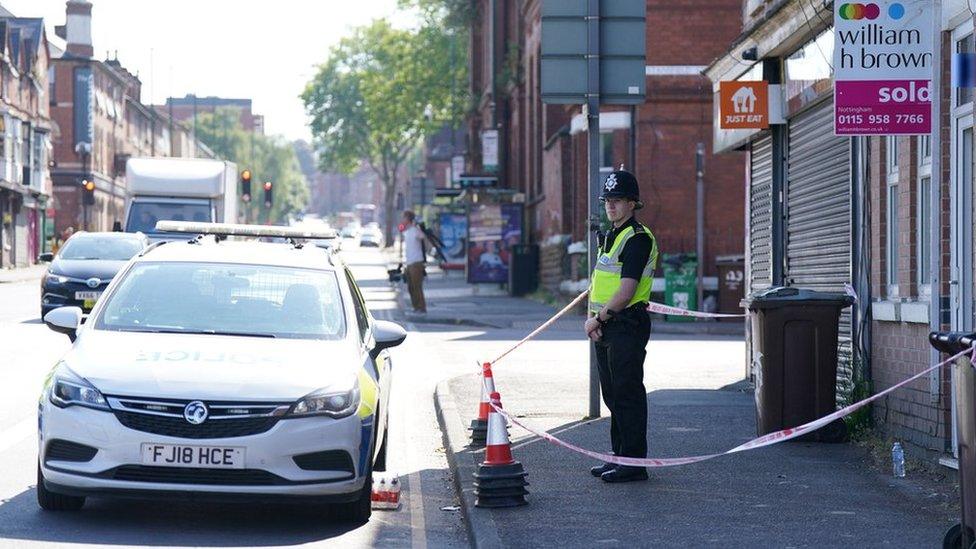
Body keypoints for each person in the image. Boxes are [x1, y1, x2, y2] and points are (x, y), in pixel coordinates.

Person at [584, 170, 659, 483]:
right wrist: (597, 321)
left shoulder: (638, 238)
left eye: (617, 201)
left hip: (625, 322)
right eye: (608, 201)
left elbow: (626, 289)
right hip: (607, 324)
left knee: (627, 393)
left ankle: (633, 464)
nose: (611, 206)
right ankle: (618, 457)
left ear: (632, 203)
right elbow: (602, 283)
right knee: (613, 395)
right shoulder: (612, 236)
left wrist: (598, 319)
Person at [401, 210, 427, 314]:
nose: (402, 220)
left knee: (417, 286)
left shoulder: (415, 230)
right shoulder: (406, 232)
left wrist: (417, 226)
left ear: (408, 219)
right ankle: (416, 307)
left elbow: (423, 236)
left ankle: (421, 307)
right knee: (411, 287)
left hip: (416, 263)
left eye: (404, 218)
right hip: (409, 263)